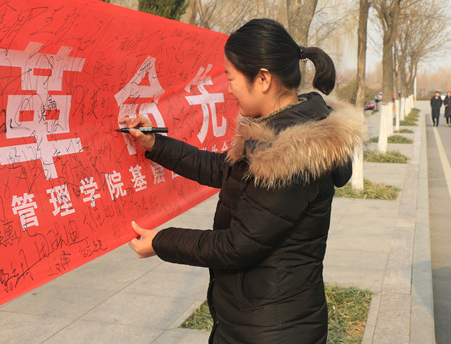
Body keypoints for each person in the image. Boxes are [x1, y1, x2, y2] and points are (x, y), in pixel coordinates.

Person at [121, 18, 366, 344]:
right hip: (260, 319)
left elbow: (236, 246)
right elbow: (221, 169)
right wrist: (154, 143)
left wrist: (160, 242)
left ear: (263, 79)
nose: (229, 88)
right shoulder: (284, 128)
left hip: (273, 330)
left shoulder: (290, 155)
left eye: (231, 77)